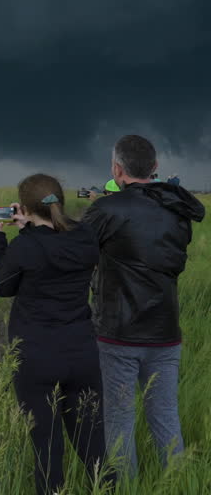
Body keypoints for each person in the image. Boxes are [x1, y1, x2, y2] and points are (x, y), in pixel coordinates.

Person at [82, 135, 205, 477]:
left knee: (119, 420)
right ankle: (178, 484)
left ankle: (126, 487)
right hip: (165, 331)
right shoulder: (178, 210)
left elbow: (75, 253)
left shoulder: (106, 210)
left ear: (116, 169)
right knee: (165, 417)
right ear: (155, 168)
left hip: (117, 333)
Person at [0, 174, 114, 495]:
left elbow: (3, 286)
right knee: (93, 445)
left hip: (36, 357)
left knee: (47, 448)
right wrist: (29, 224)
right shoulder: (85, 237)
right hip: (82, 353)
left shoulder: (25, 247)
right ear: (60, 202)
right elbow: (58, 240)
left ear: (25, 208)